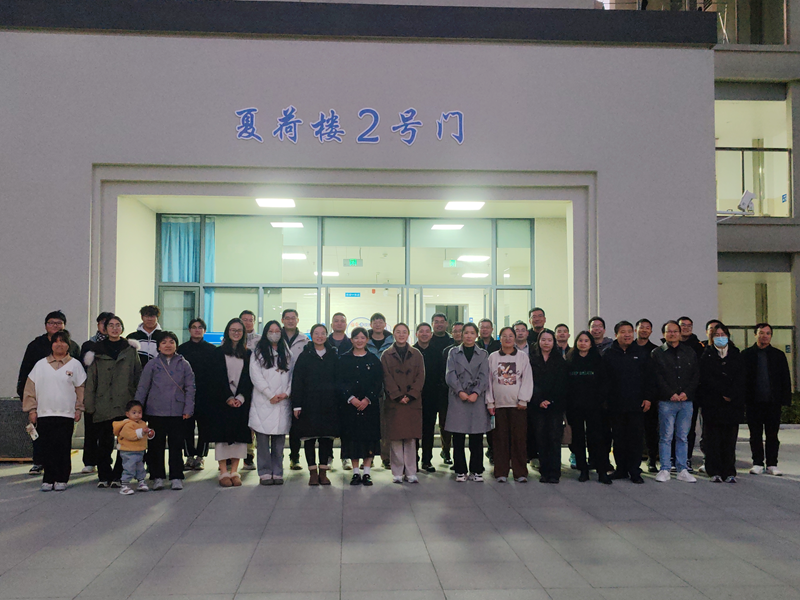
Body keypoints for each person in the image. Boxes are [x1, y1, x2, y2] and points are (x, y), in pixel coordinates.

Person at [16, 310, 80, 475]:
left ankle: (59, 468)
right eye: (51, 323)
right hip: (41, 397)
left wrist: (78, 404)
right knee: (40, 432)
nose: (55, 326)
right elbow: (26, 371)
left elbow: (79, 377)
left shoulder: (73, 346)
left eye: (59, 323)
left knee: (62, 436)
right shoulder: (35, 345)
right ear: (45, 325)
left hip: (65, 401)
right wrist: (26, 397)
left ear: (64, 326)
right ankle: (39, 461)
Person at [22, 330, 86, 492]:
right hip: (44, 413)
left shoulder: (75, 365)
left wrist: (79, 409)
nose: (59, 344)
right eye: (56, 341)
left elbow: (81, 389)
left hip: (66, 414)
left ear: (68, 345)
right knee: (46, 447)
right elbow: (29, 389)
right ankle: (48, 478)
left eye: (63, 341)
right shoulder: (40, 365)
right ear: (51, 345)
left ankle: (62, 478)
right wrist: (32, 410)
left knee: (63, 447)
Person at [84, 315, 142, 488]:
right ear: (105, 328)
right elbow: (91, 381)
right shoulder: (96, 351)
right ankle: (104, 475)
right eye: (111, 325)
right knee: (104, 442)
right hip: (103, 402)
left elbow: (137, 376)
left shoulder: (130, 349)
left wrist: (137, 403)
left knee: (124, 441)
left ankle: (118, 475)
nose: (115, 328)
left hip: (125, 402)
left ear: (122, 328)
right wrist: (89, 405)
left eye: (118, 325)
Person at [134, 331, 195, 491]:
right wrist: (137, 409)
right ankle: (157, 476)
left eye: (171, 342)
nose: (168, 345)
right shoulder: (152, 364)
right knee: (156, 446)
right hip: (155, 411)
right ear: (158, 346)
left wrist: (188, 408)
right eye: (164, 342)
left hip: (177, 411)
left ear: (176, 345)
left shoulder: (184, 364)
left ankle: (176, 476)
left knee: (176, 445)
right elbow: (143, 387)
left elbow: (190, 388)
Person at [651, 320, 700, 483]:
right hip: (666, 401)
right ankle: (665, 468)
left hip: (686, 401)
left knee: (683, 437)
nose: (672, 334)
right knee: (666, 436)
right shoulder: (657, 353)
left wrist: (687, 392)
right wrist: (670, 393)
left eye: (675, 331)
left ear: (680, 333)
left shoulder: (689, 352)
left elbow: (695, 375)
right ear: (664, 334)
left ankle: (682, 469)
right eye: (669, 331)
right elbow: (656, 376)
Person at [207, 318, 253, 488]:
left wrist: (240, 397)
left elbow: (249, 377)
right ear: (227, 332)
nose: (236, 333)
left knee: (239, 437)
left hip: (241, 401)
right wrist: (227, 397)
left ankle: (234, 471)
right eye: (233, 330)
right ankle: (223, 471)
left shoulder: (248, 354)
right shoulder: (218, 353)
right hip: (222, 401)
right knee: (222, 438)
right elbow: (215, 378)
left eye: (239, 330)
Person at [292, 324, 340, 486]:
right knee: (310, 438)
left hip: (329, 404)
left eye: (323, 333)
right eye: (316, 333)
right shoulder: (305, 355)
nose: (320, 336)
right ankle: (313, 472)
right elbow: (297, 381)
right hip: (309, 404)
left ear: (327, 335)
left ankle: (323, 472)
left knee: (326, 438)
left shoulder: (333, 355)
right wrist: (297, 405)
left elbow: (339, 380)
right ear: (311, 335)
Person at [742, 323, 792, 476]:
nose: (765, 336)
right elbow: (741, 379)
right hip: (753, 402)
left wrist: (785, 399)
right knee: (755, 435)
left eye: (768, 333)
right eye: (761, 333)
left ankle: (772, 464)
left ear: (771, 336)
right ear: (755, 334)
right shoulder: (746, 355)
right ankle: (757, 462)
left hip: (773, 402)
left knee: (772, 435)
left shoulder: (778, 355)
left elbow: (785, 378)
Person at [602, 322, 649, 484]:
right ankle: (621, 469)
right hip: (615, 405)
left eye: (630, 331)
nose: (627, 334)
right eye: (623, 332)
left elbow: (649, 378)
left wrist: (648, 398)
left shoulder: (641, 353)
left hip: (637, 405)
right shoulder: (608, 353)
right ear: (616, 335)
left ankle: (634, 470)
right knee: (619, 438)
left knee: (635, 439)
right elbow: (604, 380)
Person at [698, 323, 744, 483]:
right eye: (716, 335)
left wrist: (731, 394)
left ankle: (729, 471)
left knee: (729, 440)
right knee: (713, 439)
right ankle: (714, 471)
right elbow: (705, 379)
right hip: (713, 403)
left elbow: (741, 378)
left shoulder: (736, 354)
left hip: (732, 405)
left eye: (722, 334)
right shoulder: (706, 355)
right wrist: (721, 393)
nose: (720, 338)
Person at [445, 322, 491, 482]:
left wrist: (476, 392)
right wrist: (461, 392)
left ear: (476, 335)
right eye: (466, 333)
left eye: (472, 333)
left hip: (476, 399)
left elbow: (485, 376)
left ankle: (476, 470)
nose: (469, 336)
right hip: (458, 398)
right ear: (461, 335)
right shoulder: (453, 352)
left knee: (476, 437)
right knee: (458, 437)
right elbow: (450, 375)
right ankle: (460, 470)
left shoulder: (483, 354)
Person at [486, 326, 533, 483]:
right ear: (500, 338)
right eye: (504, 336)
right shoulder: (493, 357)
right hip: (498, 406)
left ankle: (520, 472)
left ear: (515, 338)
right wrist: (490, 402)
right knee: (500, 440)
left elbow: (527, 379)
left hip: (518, 406)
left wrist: (523, 399)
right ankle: (501, 472)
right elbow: (488, 381)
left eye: (510, 336)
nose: (507, 339)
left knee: (519, 439)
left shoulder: (522, 357)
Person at [338, 327, 383, 487]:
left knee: (369, 438)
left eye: (363, 337)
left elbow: (378, 381)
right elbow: (339, 381)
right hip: (350, 407)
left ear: (367, 340)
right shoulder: (344, 359)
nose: (359, 340)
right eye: (356, 338)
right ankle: (355, 472)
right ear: (351, 340)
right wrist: (351, 398)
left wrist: (367, 399)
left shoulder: (373, 359)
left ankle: (367, 473)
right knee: (352, 439)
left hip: (369, 407)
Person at [249, 320, 292, 486]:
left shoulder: (286, 352)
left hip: (282, 402)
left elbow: (293, 375)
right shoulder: (258, 353)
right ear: (266, 333)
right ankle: (265, 472)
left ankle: (278, 471)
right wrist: (269, 394)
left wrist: (286, 393)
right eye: (271, 331)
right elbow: (256, 376)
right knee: (262, 442)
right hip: (264, 402)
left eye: (277, 331)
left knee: (279, 443)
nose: (274, 334)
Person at [565, 331, 611, 484]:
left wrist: (599, 401)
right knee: (577, 439)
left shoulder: (598, 360)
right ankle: (583, 470)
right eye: (580, 340)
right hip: (575, 407)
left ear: (591, 344)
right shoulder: (570, 360)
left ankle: (601, 471)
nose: (583, 343)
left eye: (586, 341)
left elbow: (604, 383)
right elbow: (566, 385)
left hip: (594, 407)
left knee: (596, 438)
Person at [382, 323, 425, 483]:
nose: (401, 335)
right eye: (398, 332)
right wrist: (397, 395)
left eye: (404, 332)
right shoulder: (386, 355)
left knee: (410, 439)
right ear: (393, 334)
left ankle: (411, 471)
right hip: (394, 402)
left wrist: (411, 395)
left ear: (408, 334)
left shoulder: (416, 354)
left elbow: (421, 376)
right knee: (395, 438)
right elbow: (386, 377)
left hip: (412, 403)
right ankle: (397, 472)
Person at [78, 311, 114, 475]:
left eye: (109, 323)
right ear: (98, 325)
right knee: (91, 429)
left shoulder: (119, 344)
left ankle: (106, 461)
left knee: (108, 430)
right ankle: (90, 461)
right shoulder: (88, 345)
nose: (106, 327)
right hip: (92, 391)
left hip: (111, 393)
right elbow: (82, 369)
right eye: (103, 323)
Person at [529, 329, 567, 483]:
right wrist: (539, 400)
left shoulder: (560, 361)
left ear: (554, 342)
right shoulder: (532, 360)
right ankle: (544, 471)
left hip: (555, 405)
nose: (546, 343)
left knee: (554, 438)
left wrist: (550, 400)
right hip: (537, 405)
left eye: (549, 340)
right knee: (541, 438)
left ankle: (554, 472)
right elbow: (530, 382)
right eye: (543, 340)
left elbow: (562, 384)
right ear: (539, 341)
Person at [177, 318, 216, 470]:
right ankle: (189, 456)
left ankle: (201, 457)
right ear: (189, 330)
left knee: (204, 427)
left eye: (200, 327)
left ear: (204, 330)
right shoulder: (181, 349)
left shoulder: (212, 350)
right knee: (186, 426)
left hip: (205, 394)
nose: (197, 330)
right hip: (186, 394)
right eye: (194, 327)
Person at [366, 313, 395, 468]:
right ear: (371, 324)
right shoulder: (364, 341)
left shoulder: (392, 342)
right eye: (375, 322)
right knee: (369, 425)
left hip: (387, 389)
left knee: (386, 425)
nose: (378, 325)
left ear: (385, 324)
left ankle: (386, 457)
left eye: (380, 322)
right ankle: (368, 457)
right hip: (368, 390)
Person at [282, 308, 309, 471]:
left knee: (296, 424)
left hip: (299, 387)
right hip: (279, 386)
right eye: (287, 318)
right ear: (282, 320)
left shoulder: (304, 340)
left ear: (297, 320)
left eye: (293, 318)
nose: (290, 320)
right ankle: (277, 457)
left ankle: (295, 457)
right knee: (278, 423)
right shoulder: (276, 337)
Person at [414, 322, 442, 473]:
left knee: (429, 430)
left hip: (431, 398)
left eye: (427, 331)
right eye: (421, 331)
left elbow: (440, 376)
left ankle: (427, 460)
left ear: (431, 334)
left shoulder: (437, 353)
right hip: (413, 398)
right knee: (413, 431)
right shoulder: (411, 351)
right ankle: (413, 460)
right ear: (416, 334)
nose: (424, 334)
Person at [677, 315, 704, 472]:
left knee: (688, 429)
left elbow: (698, 372)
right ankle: (672, 458)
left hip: (691, 395)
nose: (685, 328)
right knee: (671, 429)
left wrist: (689, 391)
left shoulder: (699, 347)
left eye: (689, 325)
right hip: (672, 395)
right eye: (683, 325)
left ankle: (686, 458)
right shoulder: (670, 345)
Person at [328, 312, 353, 470]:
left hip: (347, 389)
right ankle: (328, 457)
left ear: (346, 324)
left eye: (342, 321)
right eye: (336, 321)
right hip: (328, 390)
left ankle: (346, 457)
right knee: (328, 425)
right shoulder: (325, 342)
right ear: (332, 324)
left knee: (347, 425)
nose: (339, 323)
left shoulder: (351, 343)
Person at [635, 318, 659, 473]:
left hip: (650, 397)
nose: (644, 330)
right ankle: (634, 461)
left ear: (651, 331)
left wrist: (649, 397)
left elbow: (654, 377)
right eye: (641, 327)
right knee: (634, 431)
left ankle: (652, 460)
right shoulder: (629, 348)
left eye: (647, 328)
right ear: (636, 330)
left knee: (651, 430)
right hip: (632, 397)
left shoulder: (655, 351)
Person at [113, 400, 153, 495]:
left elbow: (144, 435)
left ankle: (141, 482)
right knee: (129, 468)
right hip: (128, 451)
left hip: (140, 450)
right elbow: (131, 435)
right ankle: (124, 485)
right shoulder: (127, 424)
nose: (137, 415)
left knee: (140, 468)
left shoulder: (142, 423)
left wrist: (149, 433)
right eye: (134, 412)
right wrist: (142, 432)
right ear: (127, 414)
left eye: (139, 412)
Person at [437, 318, 460, 466]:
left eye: (461, 331)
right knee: (445, 424)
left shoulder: (477, 350)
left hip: (467, 395)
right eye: (455, 331)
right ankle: (446, 450)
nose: (458, 334)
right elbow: (443, 373)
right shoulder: (447, 351)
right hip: (447, 393)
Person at [477, 318, 500, 464]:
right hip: (478, 389)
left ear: (492, 329)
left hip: (495, 388)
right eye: (482, 327)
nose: (484, 330)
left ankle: (493, 451)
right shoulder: (474, 345)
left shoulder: (498, 345)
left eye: (487, 327)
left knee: (494, 425)